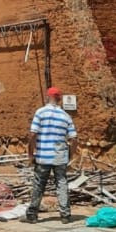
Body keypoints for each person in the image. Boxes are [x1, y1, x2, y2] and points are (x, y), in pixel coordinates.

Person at [22, 87, 78, 224]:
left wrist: (30, 154)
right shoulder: (65, 116)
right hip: (60, 155)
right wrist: (70, 155)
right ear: (59, 99)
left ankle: (32, 215)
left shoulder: (40, 113)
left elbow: (33, 134)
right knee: (62, 183)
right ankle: (65, 215)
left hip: (43, 155)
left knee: (39, 184)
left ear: (48, 97)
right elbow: (74, 139)